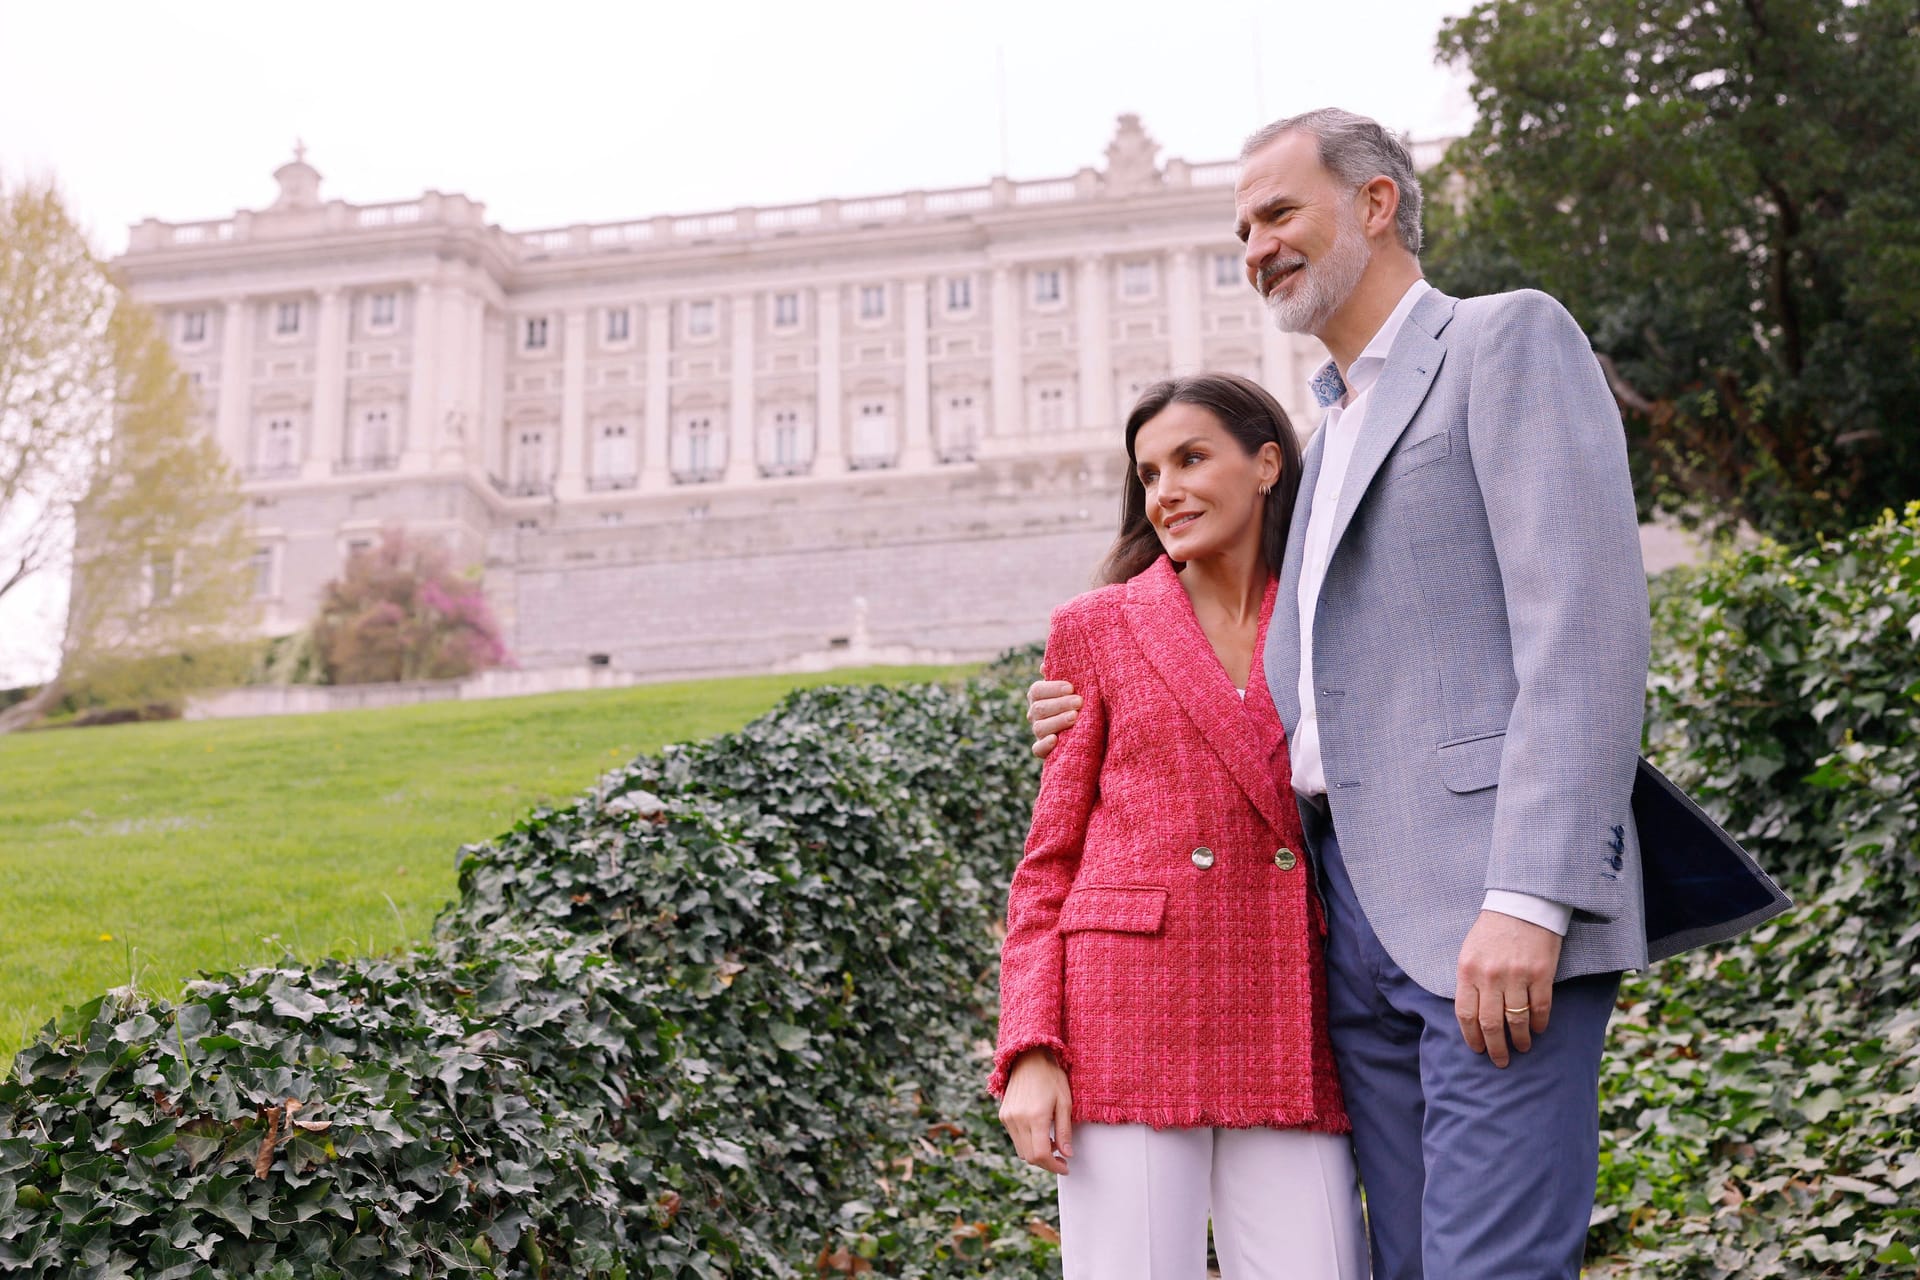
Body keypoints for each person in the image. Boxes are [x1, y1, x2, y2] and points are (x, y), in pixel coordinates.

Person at [1028, 107, 1653, 1279]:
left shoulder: (1504, 340)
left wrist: (1530, 892)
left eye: (1278, 213)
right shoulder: (1326, 431)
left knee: (1491, 1266)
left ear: (1375, 204)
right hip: (1345, 925)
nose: (1255, 245)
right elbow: (1302, 676)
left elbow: (1586, 630)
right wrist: (1089, 704)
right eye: (1242, 227)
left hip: (1484, 898)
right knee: (1407, 1262)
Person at [993, 372, 1366, 1279]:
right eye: (1149, 472)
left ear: (1268, 463)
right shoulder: (1097, 628)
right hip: (1125, 1012)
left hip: (1287, 1004)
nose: (1166, 490)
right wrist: (1030, 1047)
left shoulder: (1334, 614)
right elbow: (1049, 862)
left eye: (1192, 458)